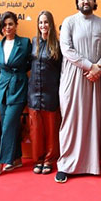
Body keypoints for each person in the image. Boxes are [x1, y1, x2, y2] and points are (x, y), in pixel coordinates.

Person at [55, 0, 101, 184]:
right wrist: (89, 66)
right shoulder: (69, 22)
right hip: (73, 78)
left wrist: (99, 68)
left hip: (94, 79)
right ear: (77, 2)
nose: (85, 1)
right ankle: (65, 165)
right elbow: (67, 50)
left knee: (92, 120)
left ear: (94, 2)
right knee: (70, 121)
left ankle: (91, 165)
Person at [0, 12, 32, 178]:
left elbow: (30, 63)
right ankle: (16, 158)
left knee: (7, 126)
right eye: (4, 25)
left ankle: (0, 163)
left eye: (11, 24)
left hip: (18, 87)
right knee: (11, 125)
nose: (8, 27)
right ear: (1, 28)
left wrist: (19, 73)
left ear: (16, 25)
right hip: (2, 89)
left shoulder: (25, 43)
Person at [28, 10, 62, 175]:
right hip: (33, 93)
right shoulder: (34, 42)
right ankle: (38, 160)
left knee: (51, 129)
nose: (43, 25)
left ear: (51, 24)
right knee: (36, 130)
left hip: (50, 93)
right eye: (40, 22)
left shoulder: (58, 45)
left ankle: (49, 160)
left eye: (46, 22)